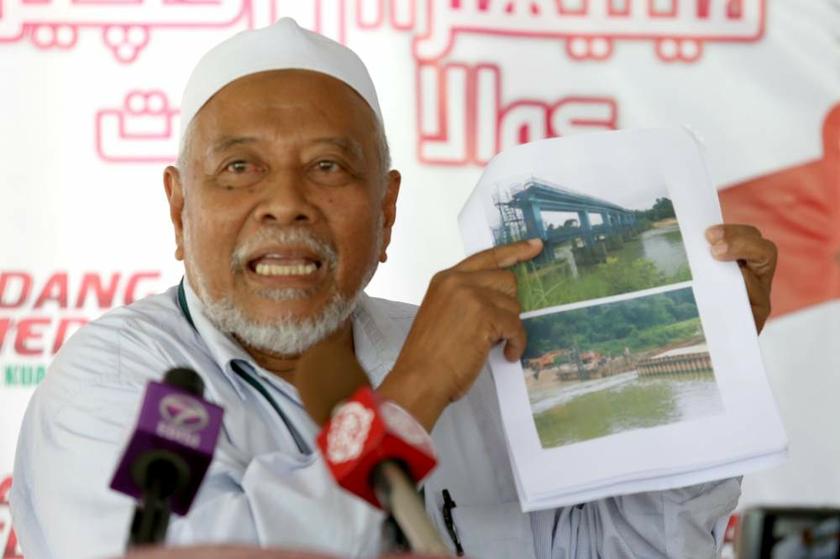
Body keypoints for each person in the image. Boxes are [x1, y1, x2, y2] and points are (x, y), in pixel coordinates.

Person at [10, 18, 778, 559]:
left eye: (328, 167)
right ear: (181, 209)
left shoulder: (476, 361)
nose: (286, 202)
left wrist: (701, 375)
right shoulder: (132, 379)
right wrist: (414, 395)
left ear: (386, 211)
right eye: (240, 168)